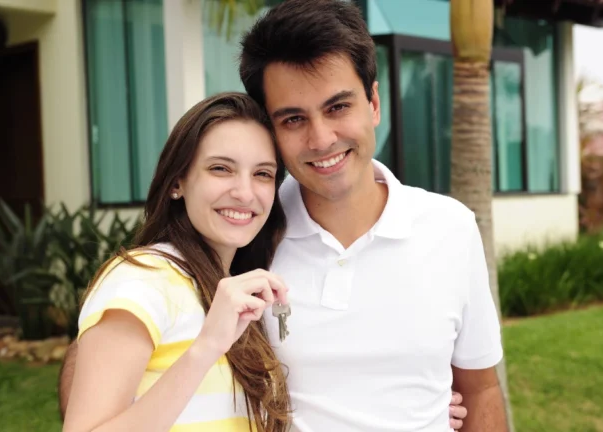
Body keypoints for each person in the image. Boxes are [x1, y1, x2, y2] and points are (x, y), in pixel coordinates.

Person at [60, 0, 503, 429]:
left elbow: (480, 391)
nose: (321, 138)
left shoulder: (451, 228)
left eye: (338, 107)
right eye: (293, 119)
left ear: (373, 103)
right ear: (271, 129)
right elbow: (104, 352)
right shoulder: (246, 234)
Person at [61, 92, 294, 432]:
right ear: (176, 183)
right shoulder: (143, 279)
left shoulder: (237, 286)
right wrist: (206, 349)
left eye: (262, 174)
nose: (245, 193)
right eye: (220, 168)